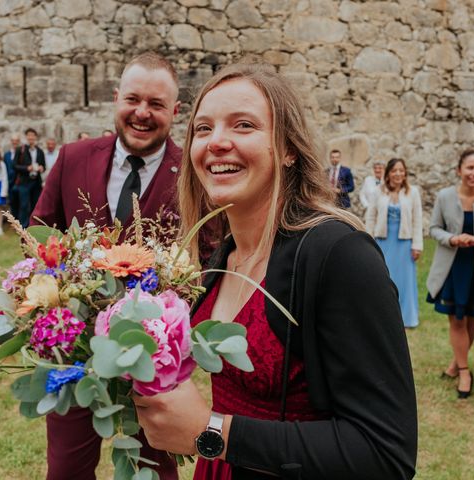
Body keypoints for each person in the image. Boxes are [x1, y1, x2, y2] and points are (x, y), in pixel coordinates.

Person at [132, 63, 417, 480]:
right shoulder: (220, 257)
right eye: (203, 128)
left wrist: (212, 431)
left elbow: (385, 455)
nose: (217, 142)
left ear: (288, 149)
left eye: (243, 125)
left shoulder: (340, 256)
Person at [30, 51, 184, 480]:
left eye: (156, 104)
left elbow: (205, 260)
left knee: (155, 471)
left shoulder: (191, 171)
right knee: (65, 470)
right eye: (133, 99)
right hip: (73, 354)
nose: (142, 112)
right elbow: (37, 238)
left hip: (153, 360)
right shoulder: (73, 157)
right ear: (116, 98)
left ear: (175, 111)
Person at [426, 150, 474, 399]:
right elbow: (434, 228)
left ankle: (456, 363)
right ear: (459, 170)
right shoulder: (445, 196)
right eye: (470, 168)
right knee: (456, 320)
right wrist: (452, 238)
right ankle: (464, 370)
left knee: (471, 318)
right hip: (452, 266)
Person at [366, 158, 422, 328]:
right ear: (388, 173)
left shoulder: (413, 192)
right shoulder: (378, 192)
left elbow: (417, 219)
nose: (398, 174)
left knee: (405, 282)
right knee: (383, 278)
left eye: (401, 170)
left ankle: (407, 318)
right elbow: (371, 216)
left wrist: (417, 245)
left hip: (404, 243)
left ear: (405, 173)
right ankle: (383, 316)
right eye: (394, 170)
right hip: (383, 241)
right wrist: (368, 242)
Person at [13, 128, 45, 228]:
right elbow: (14, 166)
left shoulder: (40, 151)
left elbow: (43, 165)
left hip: (36, 182)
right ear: (26, 137)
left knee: (36, 205)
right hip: (24, 182)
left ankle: (34, 226)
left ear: (36, 137)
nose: (31, 137)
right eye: (29, 135)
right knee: (24, 205)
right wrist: (27, 168)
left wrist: (41, 168)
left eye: (33, 135)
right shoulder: (20, 149)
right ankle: (23, 227)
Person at [4, 134, 21, 217]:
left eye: (16, 141)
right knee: (12, 202)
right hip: (10, 181)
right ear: (11, 142)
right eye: (13, 141)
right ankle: (13, 220)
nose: (15, 142)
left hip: (19, 181)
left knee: (21, 202)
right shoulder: (7, 154)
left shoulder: (22, 153)